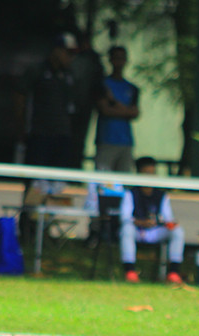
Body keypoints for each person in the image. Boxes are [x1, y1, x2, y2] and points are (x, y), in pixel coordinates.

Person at [14, 32, 78, 170]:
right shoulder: (37, 71)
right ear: (57, 50)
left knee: (58, 180)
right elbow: (21, 98)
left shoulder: (69, 75)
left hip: (62, 134)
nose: (71, 58)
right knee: (36, 179)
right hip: (40, 133)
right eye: (68, 53)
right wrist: (21, 127)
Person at [119, 156, 184, 285]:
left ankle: (173, 272)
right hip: (137, 230)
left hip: (155, 231)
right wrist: (141, 222)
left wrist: (170, 223)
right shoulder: (131, 194)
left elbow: (167, 217)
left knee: (177, 231)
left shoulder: (161, 195)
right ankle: (130, 271)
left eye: (152, 173)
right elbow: (124, 217)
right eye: (146, 173)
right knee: (126, 229)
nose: (150, 176)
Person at [95, 45, 140, 174]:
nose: (119, 62)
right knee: (103, 181)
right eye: (116, 58)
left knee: (124, 180)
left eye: (122, 58)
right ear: (110, 60)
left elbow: (135, 112)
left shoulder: (131, 88)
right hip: (106, 139)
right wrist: (126, 111)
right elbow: (105, 110)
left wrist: (113, 102)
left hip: (125, 141)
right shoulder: (103, 84)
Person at [69, 31, 105, 169]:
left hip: (84, 108)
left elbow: (98, 85)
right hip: (70, 109)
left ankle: (75, 168)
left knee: (78, 142)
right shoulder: (72, 58)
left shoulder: (92, 60)